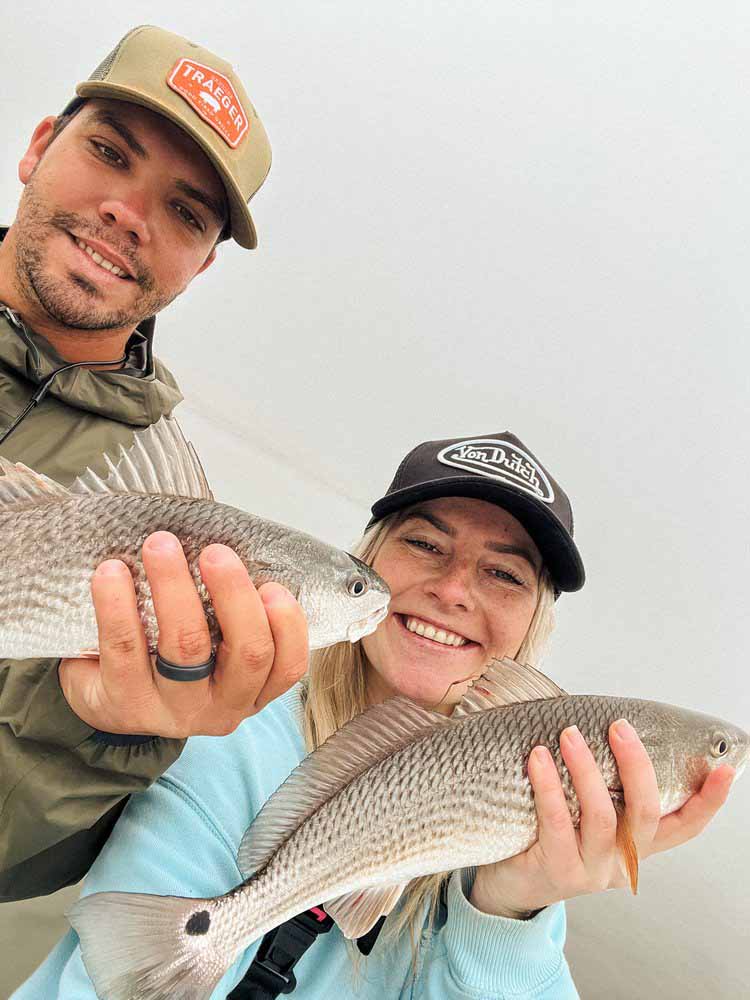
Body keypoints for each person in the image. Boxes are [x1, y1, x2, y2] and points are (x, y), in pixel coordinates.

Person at [14, 431, 735, 999]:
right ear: (368, 556)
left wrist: (513, 910)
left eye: (505, 573)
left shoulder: (535, 820)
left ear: (533, 623)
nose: (453, 588)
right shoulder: (220, 738)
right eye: (424, 543)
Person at [0, 25, 310, 902]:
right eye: (108, 152)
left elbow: (16, 867)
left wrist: (99, 733)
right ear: (36, 146)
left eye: (184, 212)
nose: (128, 215)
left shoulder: (156, 509)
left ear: (202, 264)